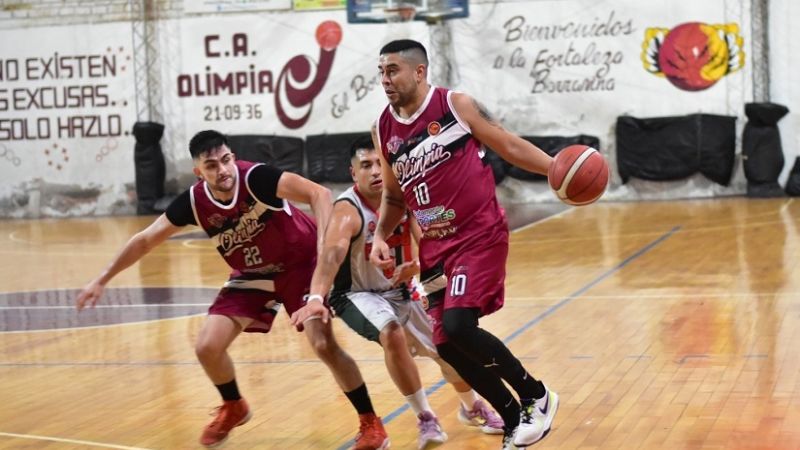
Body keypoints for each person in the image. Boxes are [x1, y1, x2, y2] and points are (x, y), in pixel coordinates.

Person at [76, 130, 389, 450]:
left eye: (226, 160)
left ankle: (371, 422)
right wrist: (102, 278)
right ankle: (233, 405)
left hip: (302, 263)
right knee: (207, 347)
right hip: (253, 273)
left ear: (233, 157)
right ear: (199, 172)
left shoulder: (255, 177)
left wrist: (324, 246)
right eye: (212, 165)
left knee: (322, 344)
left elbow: (319, 194)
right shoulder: (195, 202)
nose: (222, 170)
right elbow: (145, 239)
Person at [370, 39, 558, 450]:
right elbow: (395, 196)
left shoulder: (454, 105)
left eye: (394, 70)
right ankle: (513, 422)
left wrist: (554, 167)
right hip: (435, 249)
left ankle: (535, 396)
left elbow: (507, 143)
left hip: (478, 234)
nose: (385, 79)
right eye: (381, 71)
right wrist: (381, 235)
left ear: (419, 72)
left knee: (458, 326)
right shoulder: (383, 128)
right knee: (445, 345)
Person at [291, 135, 504, 449]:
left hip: (402, 289)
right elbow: (332, 255)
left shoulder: (405, 197)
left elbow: (429, 241)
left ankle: (471, 407)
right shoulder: (347, 210)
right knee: (391, 333)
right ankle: (426, 419)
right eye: (366, 165)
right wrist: (316, 298)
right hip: (358, 293)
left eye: (380, 163)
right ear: (353, 174)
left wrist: (416, 265)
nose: (376, 171)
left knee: (448, 350)